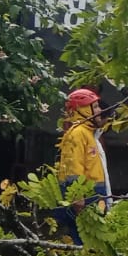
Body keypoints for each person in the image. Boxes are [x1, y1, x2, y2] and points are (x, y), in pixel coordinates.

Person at [55, 88, 111, 244]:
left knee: (93, 239)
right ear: (84, 110)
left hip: (93, 194)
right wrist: (78, 197)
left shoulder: (88, 133)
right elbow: (74, 167)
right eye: (96, 106)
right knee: (83, 238)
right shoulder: (78, 133)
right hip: (84, 196)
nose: (100, 110)